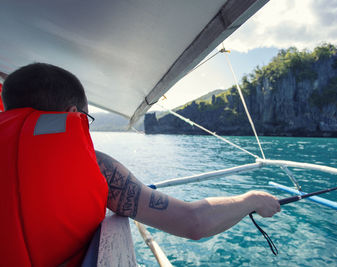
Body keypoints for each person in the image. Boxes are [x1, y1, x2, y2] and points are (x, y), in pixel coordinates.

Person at [0, 63, 280, 266]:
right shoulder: (100, 168)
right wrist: (250, 199)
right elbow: (193, 222)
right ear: (73, 115)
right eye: (87, 120)